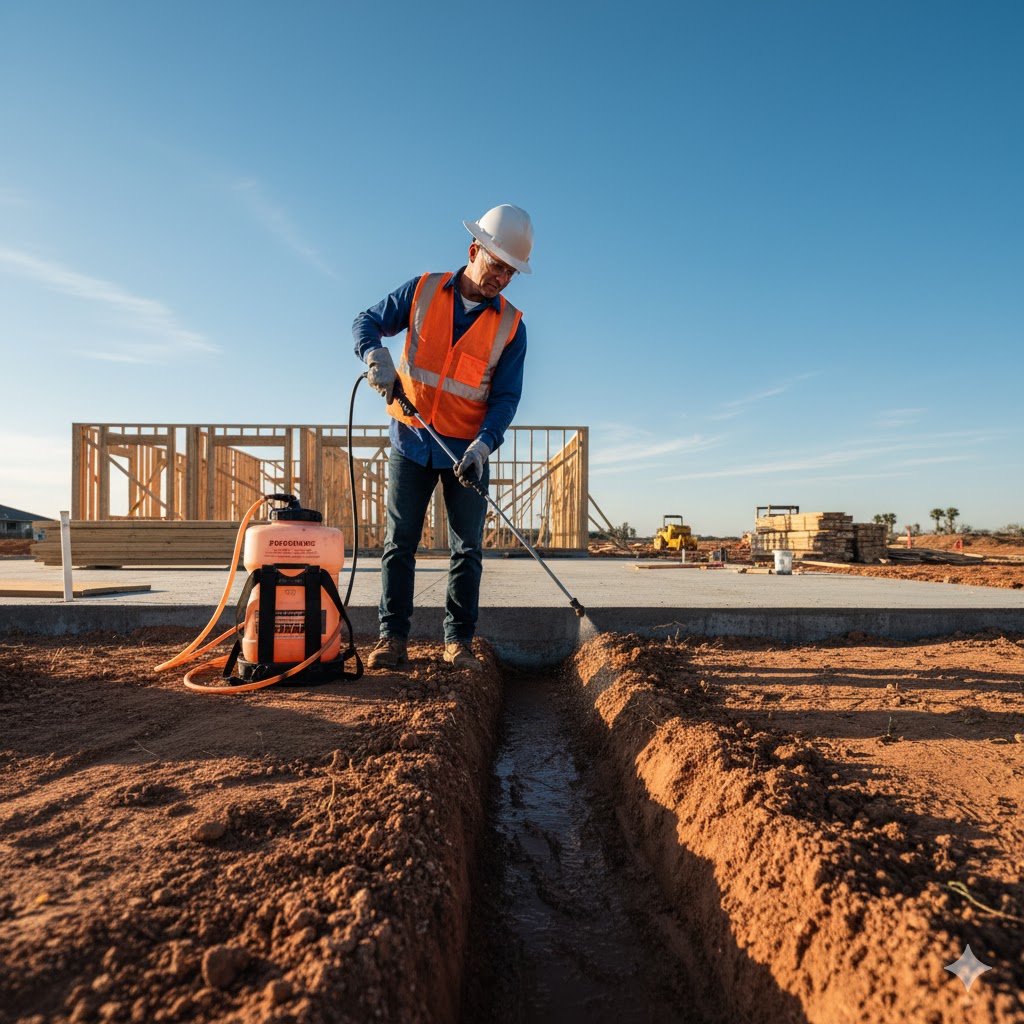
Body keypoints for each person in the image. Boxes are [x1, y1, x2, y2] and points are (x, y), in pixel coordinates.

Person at [352, 204, 533, 672]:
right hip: (412, 440)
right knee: (400, 543)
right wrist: (376, 357)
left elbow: (506, 398)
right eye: (497, 266)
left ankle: (459, 642)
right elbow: (366, 321)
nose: (502, 280)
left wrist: (483, 445)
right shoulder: (423, 290)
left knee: (467, 549)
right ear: (474, 250)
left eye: (511, 273)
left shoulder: (512, 326)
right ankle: (392, 639)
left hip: (465, 454)